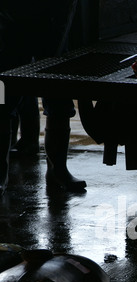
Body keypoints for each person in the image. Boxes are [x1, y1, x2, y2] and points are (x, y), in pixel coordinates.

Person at [0, 0, 86, 196]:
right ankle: (56, 171)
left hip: (51, 22)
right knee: (2, 100)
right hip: (15, 23)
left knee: (59, 100)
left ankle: (58, 171)